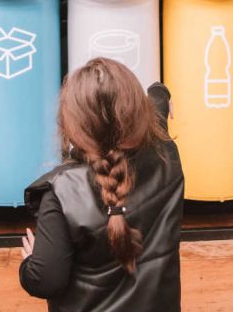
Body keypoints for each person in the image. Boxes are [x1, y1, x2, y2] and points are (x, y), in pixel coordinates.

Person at [19, 58, 183, 312]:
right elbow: (156, 113)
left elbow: (46, 282)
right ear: (139, 112)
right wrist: (160, 91)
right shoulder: (166, 155)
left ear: (75, 124)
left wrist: (30, 264)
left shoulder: (62, 191)